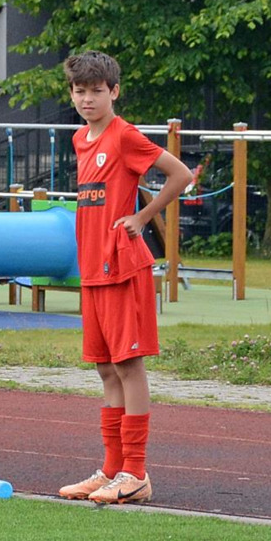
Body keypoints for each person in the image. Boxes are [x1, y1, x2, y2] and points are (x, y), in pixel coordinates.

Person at [55, 51, 193, 506]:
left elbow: (180, 175)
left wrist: (143, 216)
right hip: (92, 267)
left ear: (114, 92)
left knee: (129, 366)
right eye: (80, 91)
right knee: (104, 367)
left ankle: (135, 471)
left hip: (121, 266)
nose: (87, 99)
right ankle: (112, 469)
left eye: (97, 91)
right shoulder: (80, 138)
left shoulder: (125, 135)